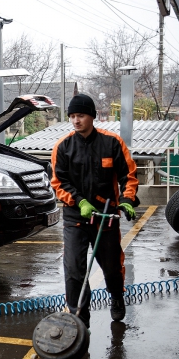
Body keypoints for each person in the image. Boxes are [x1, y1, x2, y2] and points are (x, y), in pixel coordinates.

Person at [50, 94, 139, 329]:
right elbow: (59, 182)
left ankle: (117, 297)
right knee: (73, 268)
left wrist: (128, 199)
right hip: (75, 216)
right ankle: (79, 315)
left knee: (111, 265)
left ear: (92, 116)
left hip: (105, 216)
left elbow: (128, 175)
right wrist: (79, 201)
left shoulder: (112, 143)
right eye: (72, 116)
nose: (76, 120)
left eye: (80, 115)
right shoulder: (63, 147)